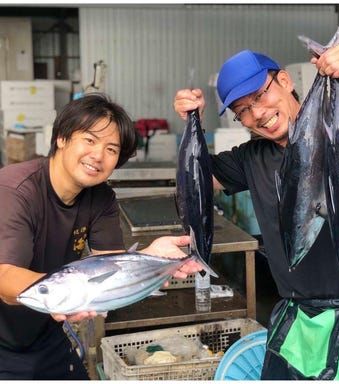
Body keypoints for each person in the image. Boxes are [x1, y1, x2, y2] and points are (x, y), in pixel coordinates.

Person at [174, 44, 339, 379]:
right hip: (299, 323)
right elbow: (195, 182)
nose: (255, 114)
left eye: (259, 96)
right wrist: (191, 124)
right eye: (242, 111)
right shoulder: (250, 158)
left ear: (284, 80)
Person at [0, 93, 202, 380]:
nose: (98, 155)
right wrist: (64, 294)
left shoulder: (101, 197)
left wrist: (151, 257)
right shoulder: (13, 191)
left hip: (47, 333)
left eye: (111, 149)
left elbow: (110, 269)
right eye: (90, 140)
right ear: (62, 138)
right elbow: (5, 277)